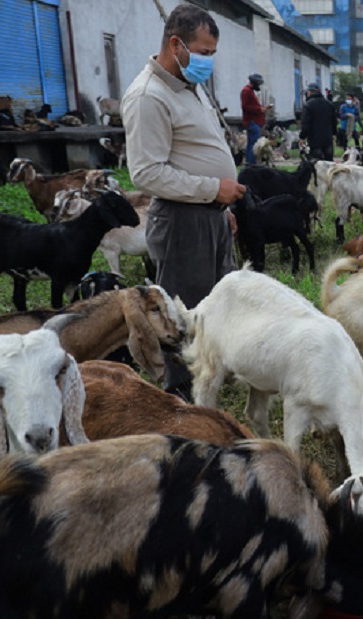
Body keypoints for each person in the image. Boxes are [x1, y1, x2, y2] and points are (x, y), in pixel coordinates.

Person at [122, 3, 242, 398]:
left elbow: (200, 150)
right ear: (176, 45)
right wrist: (213, 190)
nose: (209, 61)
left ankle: (211, 376)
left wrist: (221, 208)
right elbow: (147, 173)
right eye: (204, 52)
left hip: (210, 215)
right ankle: (181, 398)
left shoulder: (190, 86)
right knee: (181, 312)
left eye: (212, 54)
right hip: (181, 221)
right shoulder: (148, 96)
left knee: (215, 302)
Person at [299, 81, 337, 161]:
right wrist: (333, 134)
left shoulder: (308, 105)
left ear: (309, 92)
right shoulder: (329, 104)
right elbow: (334, 121)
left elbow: (306, 124)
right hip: (328, 138)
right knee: (329, 163)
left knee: (317, 163)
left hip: (314, 139)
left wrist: (302, 137)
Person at [240, 73, 272, 165]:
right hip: (253, 122)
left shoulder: (249, 91)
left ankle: (250, 164)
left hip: (254, 121)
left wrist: (262, 107)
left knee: (251, 144)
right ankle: (252, 164)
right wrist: (260, 109)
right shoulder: (246, 91)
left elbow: (251, 105)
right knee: (254, 145)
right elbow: (245, 107)